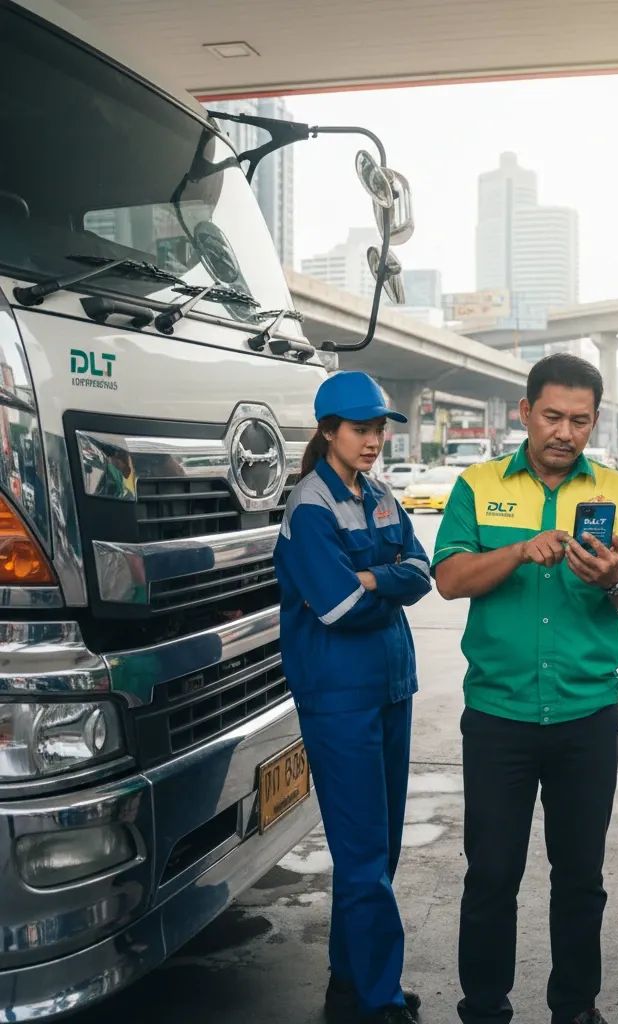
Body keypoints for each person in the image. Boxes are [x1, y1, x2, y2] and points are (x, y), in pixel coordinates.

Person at [432, 353, 618, 1024]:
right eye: (552, 416)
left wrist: (613, 579)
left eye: (579, 420)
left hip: (586, 717)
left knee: (581, 877)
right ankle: (483, 1007)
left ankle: (576, 1007)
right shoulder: (477, 486)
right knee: (491, 874)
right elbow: (448, 579)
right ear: (525, 412)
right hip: (497, 716)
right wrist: (517, 551)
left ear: (595, 421)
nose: (565, 432)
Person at [273, 371, 432, 1024]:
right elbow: (338, 606)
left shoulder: (380, 495)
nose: (373, 440)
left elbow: (422, 571)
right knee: (363, 853)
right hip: (339, 696)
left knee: (379, 848)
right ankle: (378, 999)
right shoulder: (310, 507)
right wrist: (381, 582)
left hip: (389, 686)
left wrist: (375, 578)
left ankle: (351, 980)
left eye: (379, 429)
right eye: (361, 429)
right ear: (329, 431)